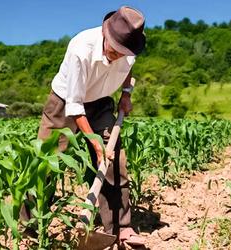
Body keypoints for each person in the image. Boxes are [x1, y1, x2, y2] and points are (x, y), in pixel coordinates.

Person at [35, 6, 145, 247]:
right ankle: (30, 222)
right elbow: (74, 106)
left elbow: (128, 70)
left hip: (101, 101)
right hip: (64, 103)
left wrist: (126, 94)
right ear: (106, 34)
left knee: (114, 160)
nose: (117, 56)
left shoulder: (129, 50)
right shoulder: (80, 48)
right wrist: (94, 142)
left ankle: (120, 227)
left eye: (122, 52)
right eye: (114, 50)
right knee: (47, 162)